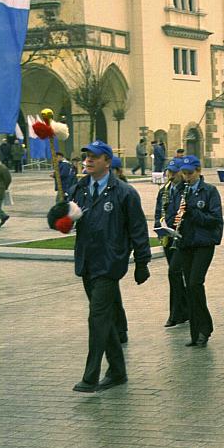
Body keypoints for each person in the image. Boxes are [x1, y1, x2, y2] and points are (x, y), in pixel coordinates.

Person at [63, 140, 151, 393]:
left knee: (97, 317)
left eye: (94, 156)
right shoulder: (79, 189)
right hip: (87, 261)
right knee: (105, 319)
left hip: (110, 264)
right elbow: (67, 223)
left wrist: (142, 261)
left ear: (107, 162)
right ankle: (118, 371)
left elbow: (138, 229)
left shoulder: (124, 192)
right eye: (86, 156)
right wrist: (61, 217)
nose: (88, 160)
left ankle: (91, 376)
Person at [165, 156, 223, 347]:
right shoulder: (180, 191)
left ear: (199, 171)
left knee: (195, 282)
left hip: (204, 243)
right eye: (185, 173)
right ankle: (196, 332)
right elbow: (173, 214)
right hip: (185, 242)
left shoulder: (210, 191)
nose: (187, 177)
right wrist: (174, 219)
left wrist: (193, 212)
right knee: (189, 285)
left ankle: (204, 328)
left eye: (190, 173)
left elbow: (214, 219)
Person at [155, 157, 189, 328]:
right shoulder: (164, 190)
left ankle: (175, 314)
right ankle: (184, 310)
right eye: (170, 172)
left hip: (182, 237)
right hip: (168, 236)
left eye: (175, 172)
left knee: (174, 272)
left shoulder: (186, 189)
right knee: (175, 275)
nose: (172, 175)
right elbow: (157, 211)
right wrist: (158, 228)